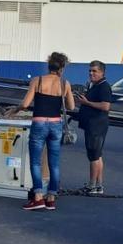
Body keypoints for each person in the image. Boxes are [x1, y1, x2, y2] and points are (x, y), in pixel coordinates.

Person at [18, 52, 74, 211]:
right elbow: (70, 106)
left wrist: (15, 110)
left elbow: (25, 104)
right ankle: (51, 198)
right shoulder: (65, 84)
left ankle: (37, 197)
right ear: (62, 68)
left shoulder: (37, 80)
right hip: (56, 124)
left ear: (49, 65)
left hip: (39, 123)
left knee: (35, 161)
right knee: (54, 163)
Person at [75, 61, 113, 196]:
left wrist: (87, 102)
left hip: (96, 126)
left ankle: (92, 185)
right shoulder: (94, 85)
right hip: (93, 125)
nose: (91, 73)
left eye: (94, 71)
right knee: (97, 155)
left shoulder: (104, 87)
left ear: (102, 72)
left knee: (93, 156)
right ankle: (98, 185)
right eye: (90, 71)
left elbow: (105, 106)